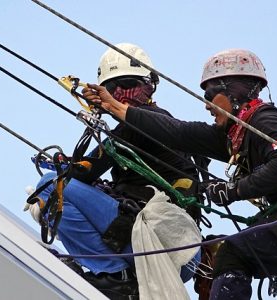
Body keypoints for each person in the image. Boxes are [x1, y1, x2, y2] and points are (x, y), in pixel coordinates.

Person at [83, 49, 277, 299]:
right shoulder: (233, 135)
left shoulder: (265, 119)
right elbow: (179, 132)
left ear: (233, 91)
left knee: (233, 255)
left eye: (209, 95)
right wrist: (116, 108)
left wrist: (234, 191)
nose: (206, 104)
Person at [30, 43, 202, 300]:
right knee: (59, 188)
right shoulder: (151, 127)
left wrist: (63, 168)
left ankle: (114, 275)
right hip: (179, 252)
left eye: (130, 84)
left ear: (149, 87)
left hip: (162, 243)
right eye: (112, 88)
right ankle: (116, 275)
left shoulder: (143, 121)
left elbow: (84, 173)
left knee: (49, 186)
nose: (121, 94)